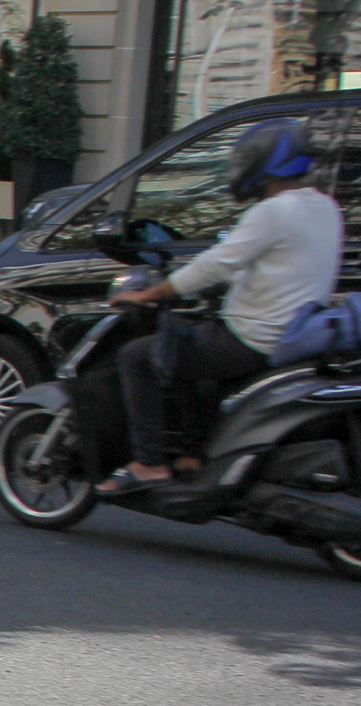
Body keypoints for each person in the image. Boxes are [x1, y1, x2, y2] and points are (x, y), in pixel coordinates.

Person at [100, 120, 341, 494]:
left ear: (265, 162)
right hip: (293, 337)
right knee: (190, 351)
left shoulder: (274, 212)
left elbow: (217, 263)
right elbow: (281, 266)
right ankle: (193, 455)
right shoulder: (326, 208)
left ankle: (149, 463)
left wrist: (151, 294)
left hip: (253, 339)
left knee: (138, 356)